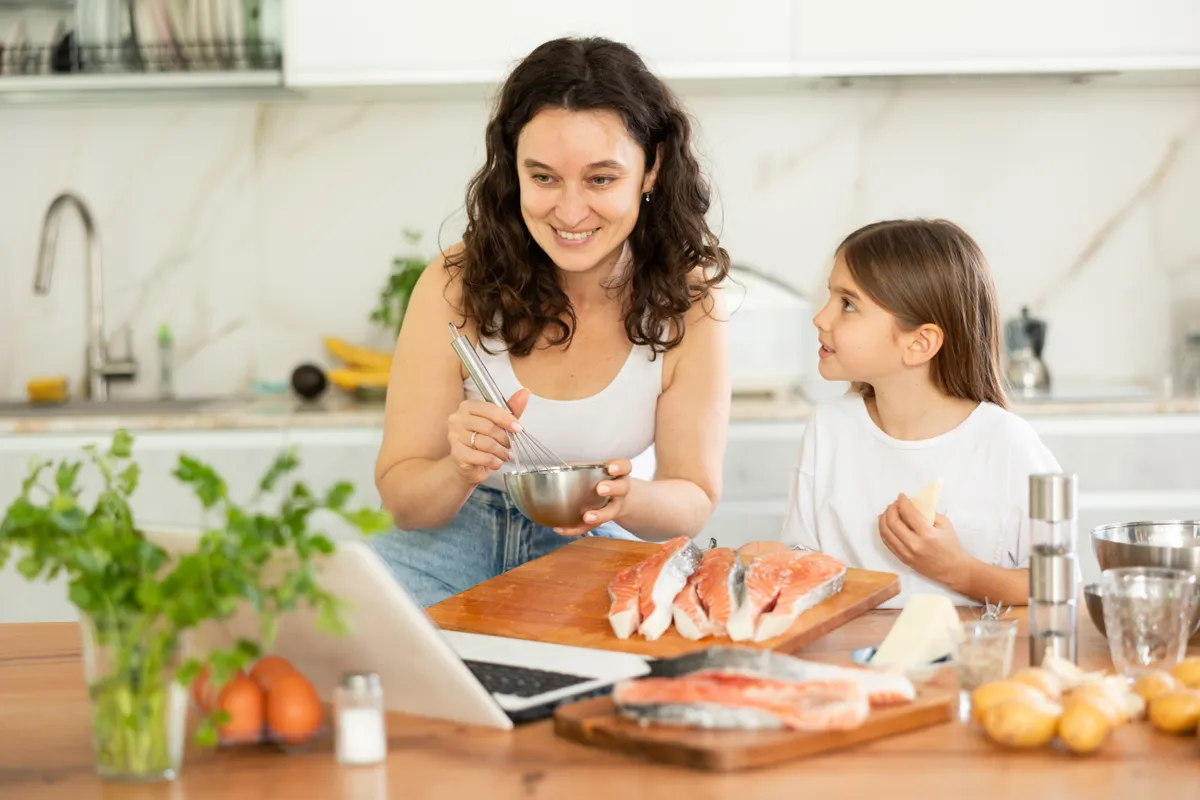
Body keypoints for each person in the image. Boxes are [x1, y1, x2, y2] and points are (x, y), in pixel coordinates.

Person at [371, 36, 731, 608]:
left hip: (588, 555)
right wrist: (460, 469)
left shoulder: (689, 308)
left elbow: (692, 496)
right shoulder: (455, 283)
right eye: (543, 178)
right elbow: (404, 502)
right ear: (514, 170)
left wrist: (625, 498)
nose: (568, 212)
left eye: (601, 179)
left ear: (652, 167)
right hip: (439, 555)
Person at [780, 218, 1061, 608]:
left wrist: (957, 570)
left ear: (920, 343)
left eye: (847, 304)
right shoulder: (828, 429)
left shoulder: (1006, 443)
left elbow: (1058, 586)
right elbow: (802, 565)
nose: (821, 318)